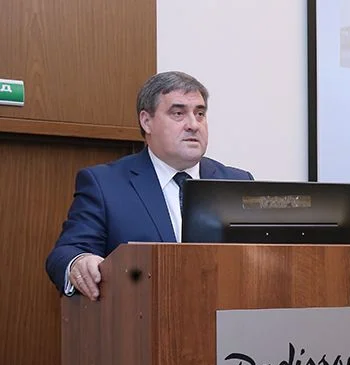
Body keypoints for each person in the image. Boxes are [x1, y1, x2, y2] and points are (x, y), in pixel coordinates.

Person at [45, 71, 253, 298]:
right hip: (141, 314)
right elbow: (66, 253)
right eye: (178, 113)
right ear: (146, 121)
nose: (193, 125)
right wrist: (79, 262)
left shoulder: (237, 182)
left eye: (200, 113)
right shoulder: (105, 184)